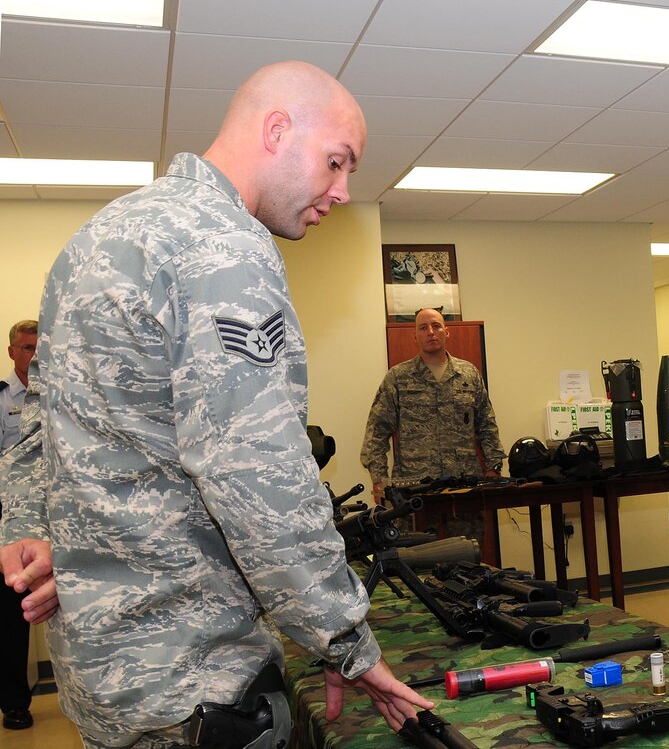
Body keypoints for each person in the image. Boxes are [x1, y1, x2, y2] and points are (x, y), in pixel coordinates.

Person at [0, 61, 433, 748]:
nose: (344, 191)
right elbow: (259, 472)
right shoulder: (221, 246)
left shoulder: (95, 238)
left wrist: (25, 530)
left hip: (102, 673)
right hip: (195, 676)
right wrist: (347, 641)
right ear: (276, 129)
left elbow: (40, 418)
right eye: (337, 162)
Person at [361, 306, 505, 508]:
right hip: (414, 487)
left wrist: (493, 467)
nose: (430, 332)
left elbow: (486, 424)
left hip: (463, 485)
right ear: (415, 336)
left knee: (467, 540)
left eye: (436, 326)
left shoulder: (468, 374)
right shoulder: (398, 377)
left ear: (446, 332)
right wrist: (379, 480)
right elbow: (377, 431)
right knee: (418, 540)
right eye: (423, 328)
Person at [0, 321, 37, 731]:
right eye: (28, 348)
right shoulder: (2, 399)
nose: (35, 355)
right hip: (11, 519)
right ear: (12, 352)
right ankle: (14, 701)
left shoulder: (60, 397)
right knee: (12, 614)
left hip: (62, 517)